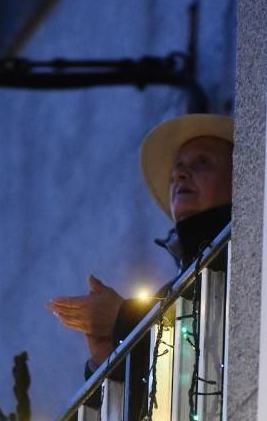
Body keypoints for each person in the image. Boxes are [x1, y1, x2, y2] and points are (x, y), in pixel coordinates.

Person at [47, 114, 233, 373]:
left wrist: (120, 319)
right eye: (177, 168)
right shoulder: (175, 286)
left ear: (241, 176)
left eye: (202, 162)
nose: (179, 174)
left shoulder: (242, 250)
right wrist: (109, 359)